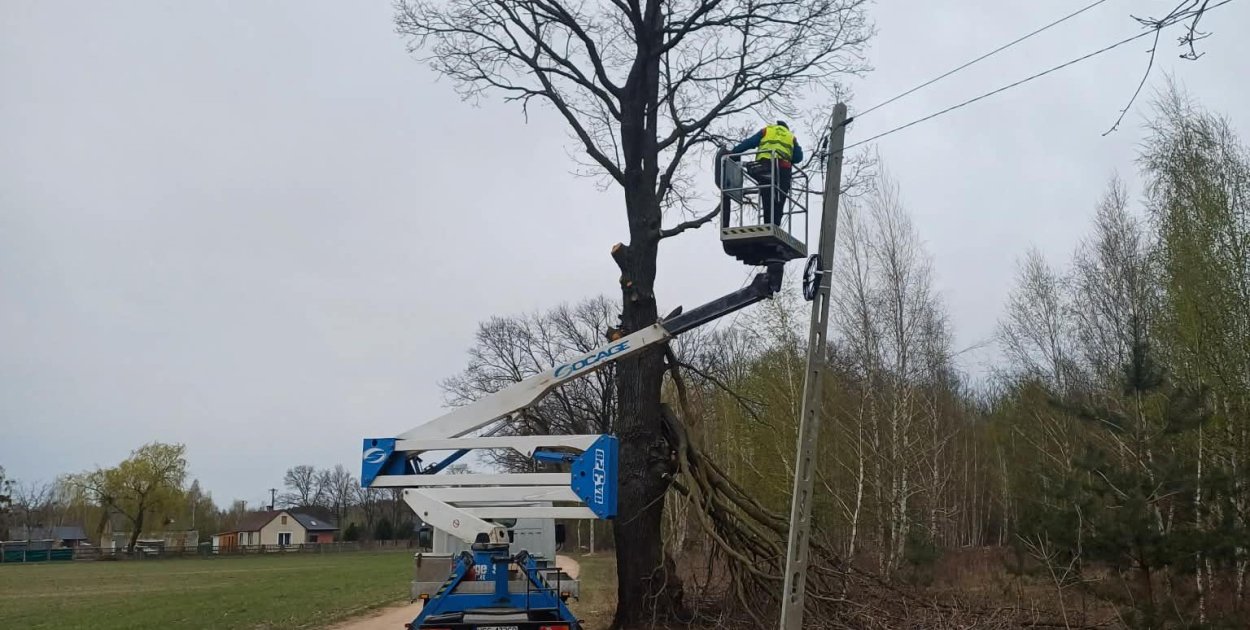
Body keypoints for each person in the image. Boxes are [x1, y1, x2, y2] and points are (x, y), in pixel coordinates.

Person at [731, 121, 803, 226]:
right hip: (783, 169)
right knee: (780, 198)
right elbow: (798, 157)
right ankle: (775, 225)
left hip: (765, 167)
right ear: (786, 128)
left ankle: (768, 224)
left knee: (767, 195)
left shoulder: (767, 130)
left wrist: (734, 152)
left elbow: (750, 142)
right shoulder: (791, 137)